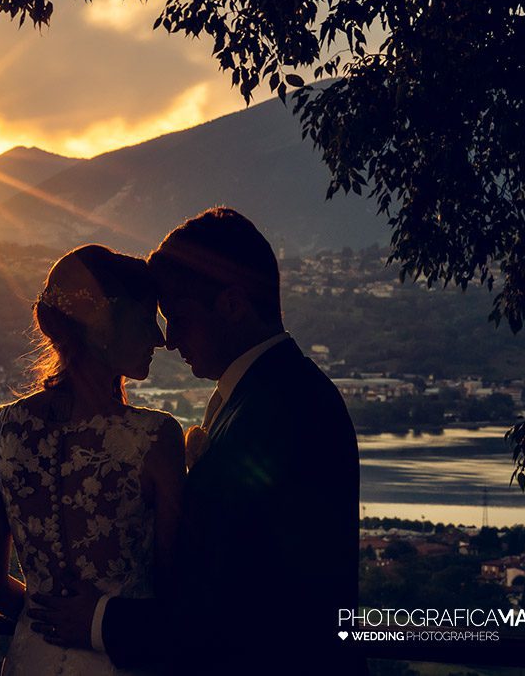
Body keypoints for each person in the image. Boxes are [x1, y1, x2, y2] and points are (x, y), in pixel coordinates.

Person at [29, 207, 363, 674]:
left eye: (179, 317)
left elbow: (242, 607)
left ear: (232, 305)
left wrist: (100, 620)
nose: (168, 340)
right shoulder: (269, 395)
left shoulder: (281, 411)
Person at [0, 244, 186, 675]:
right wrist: (96, 626)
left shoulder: (5, 431)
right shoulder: (154, 438)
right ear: (105, 325)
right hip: (124, 661)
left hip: (32, 657)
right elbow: (177, 588)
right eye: (146, 319)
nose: (159, 338)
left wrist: (45, 620)